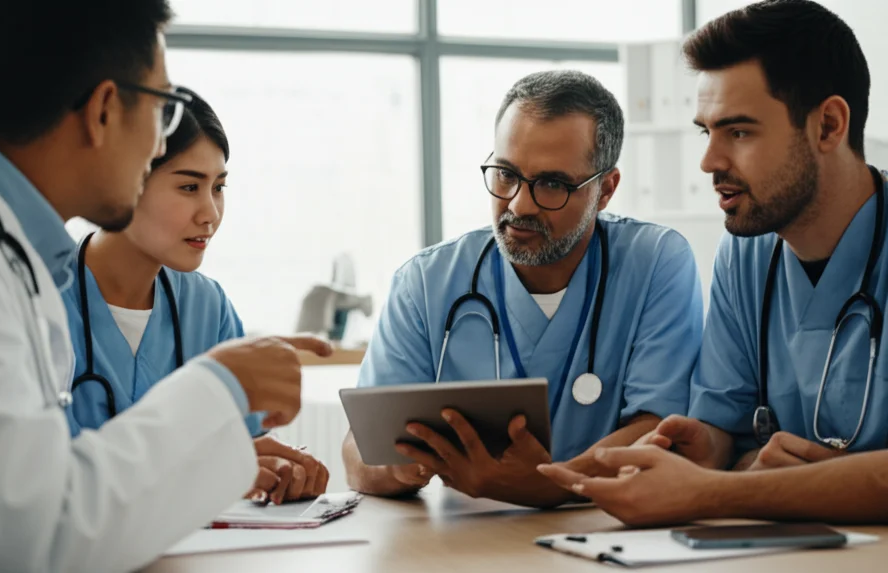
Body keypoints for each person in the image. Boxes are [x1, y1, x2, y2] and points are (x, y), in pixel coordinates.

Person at [0, 1, 329, 571]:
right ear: (105, 108)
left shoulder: (0, 251)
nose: (160, 144)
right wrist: (218, 384)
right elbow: (33, 536)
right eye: (163, 111)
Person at [539, 0, 888, 526]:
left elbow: (736, 483)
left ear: (829, 125)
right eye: (707, 132)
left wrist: (720, 492)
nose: (709, 162)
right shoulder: (746, 254)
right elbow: (727, 430)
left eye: (740, 132)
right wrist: (707, 446)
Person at [343, 70, 704, 508]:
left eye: (551, 184)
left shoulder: (655, 262)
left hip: (605, 527)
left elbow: (658, 426)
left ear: (605, 189)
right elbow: (360, 451)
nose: (519, 204)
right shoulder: (426, 282)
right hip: (466, 544)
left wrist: (553, 484)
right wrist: (404, 464)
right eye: (505, 174)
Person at [64, 87, 329, 505]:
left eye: (218, 187)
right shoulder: (44, 300)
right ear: (127, 178)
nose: (210, 213)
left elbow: (245, 447)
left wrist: (280, 470)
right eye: (189, 187)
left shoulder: (208, 307)